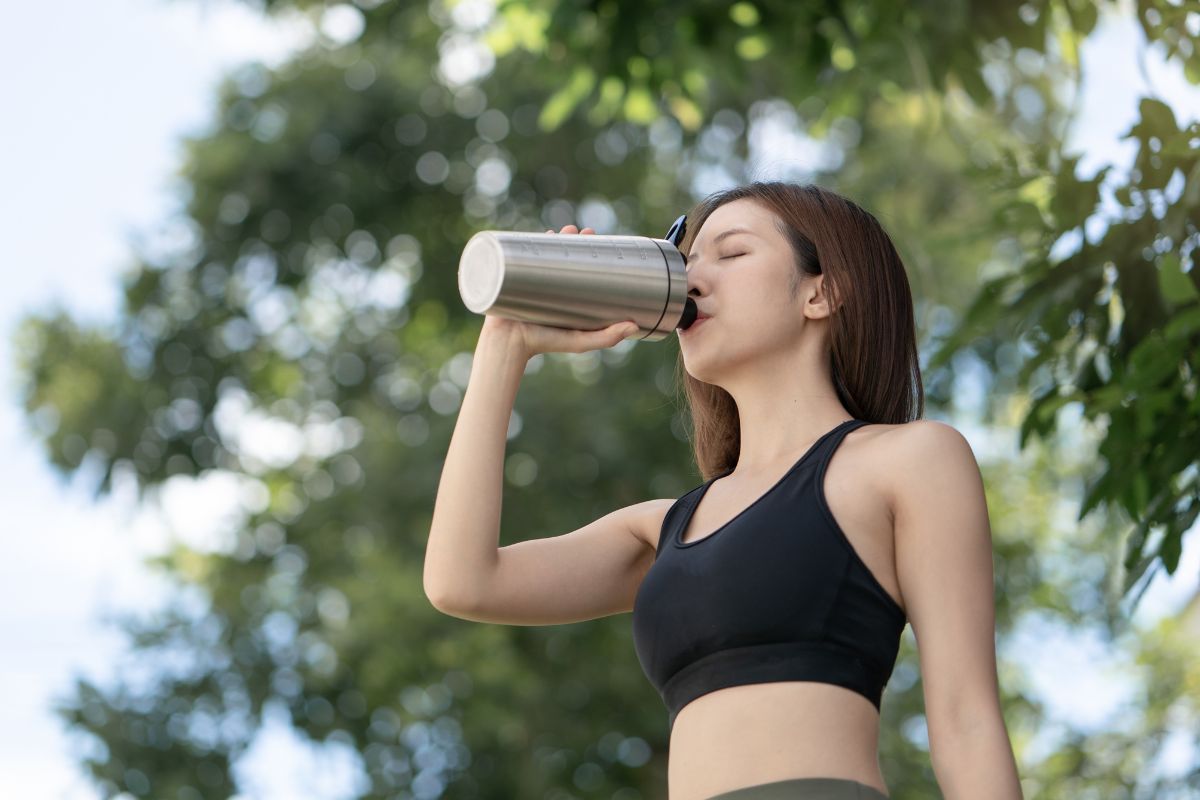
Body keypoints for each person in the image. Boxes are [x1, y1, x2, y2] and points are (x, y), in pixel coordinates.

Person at [424, 181, 1023, 799]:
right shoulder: (663, 529)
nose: (693, 280)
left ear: (822, 292)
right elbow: (461, 581)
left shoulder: (907, 460)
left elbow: (966, 720)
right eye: (687, 262)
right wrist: (505, 343)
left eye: (731, 254)